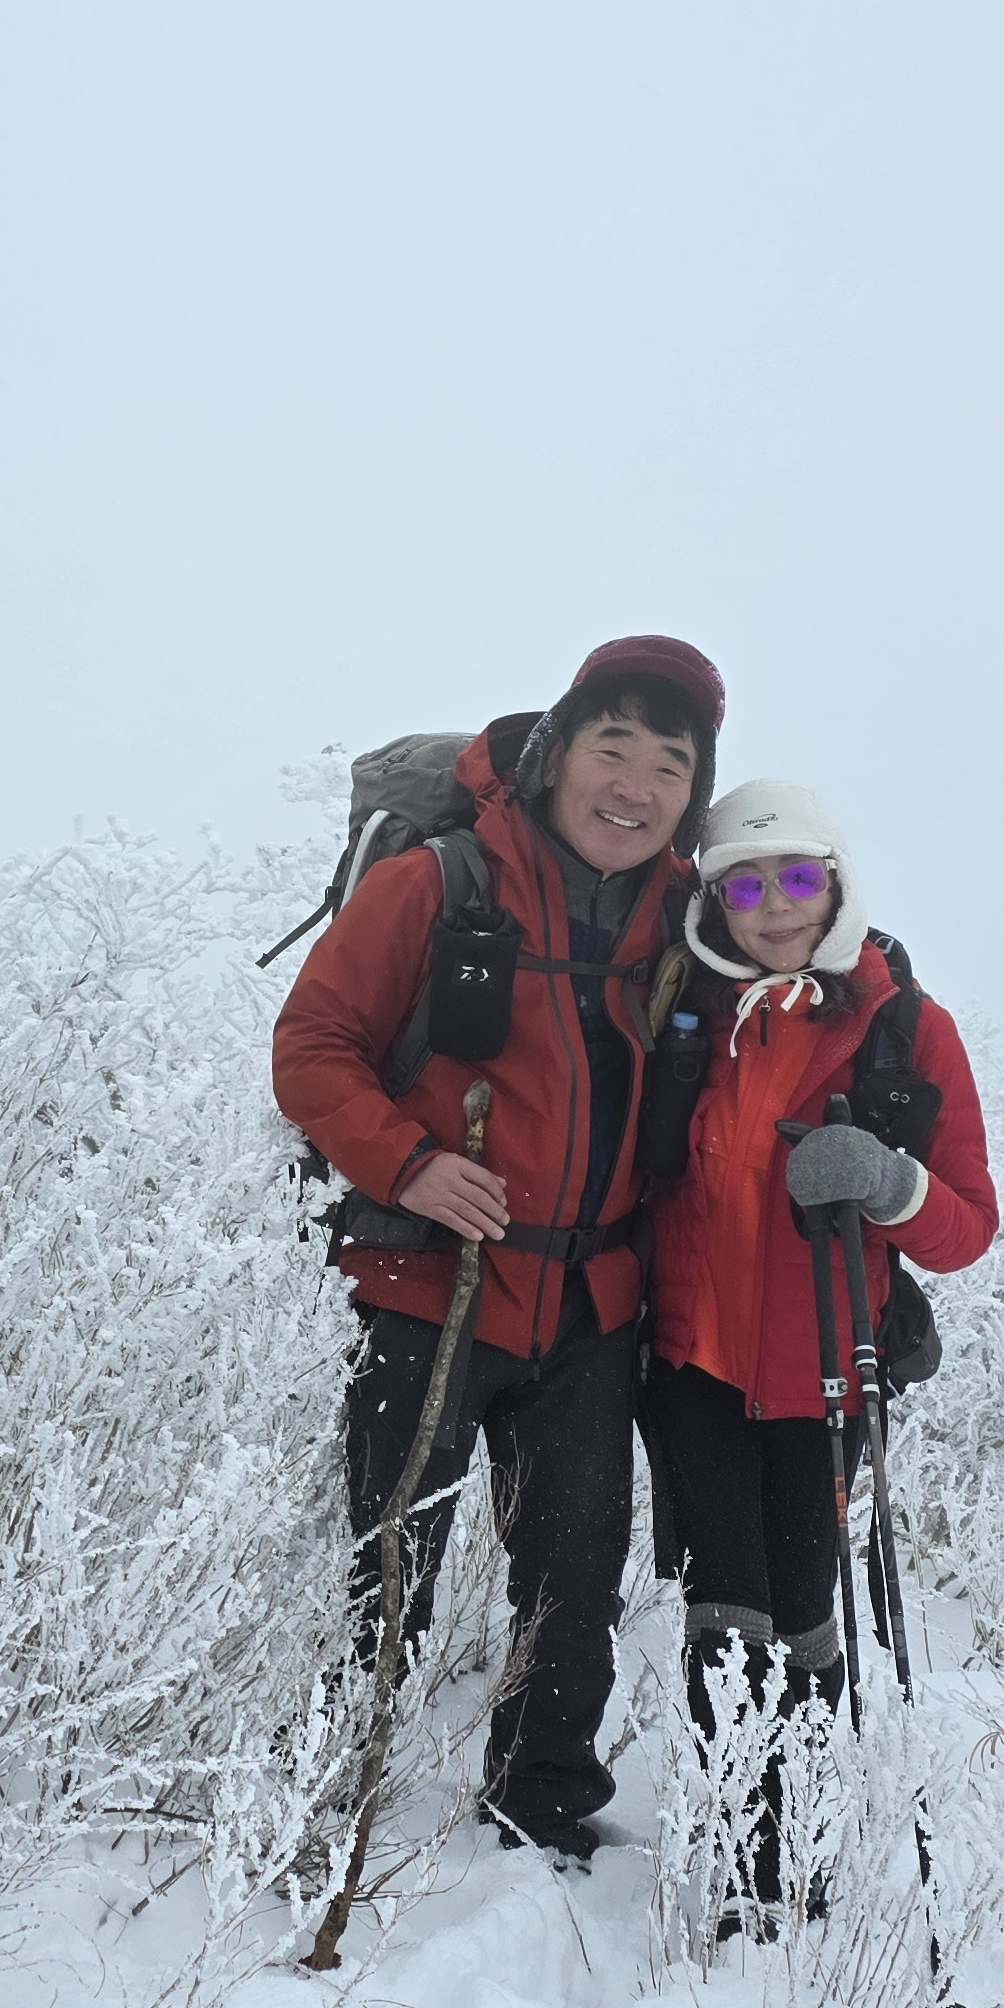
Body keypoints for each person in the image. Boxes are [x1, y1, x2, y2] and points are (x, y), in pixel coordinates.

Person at [270, 635, 722, 1864]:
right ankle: (321, 1792)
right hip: (426, 1278)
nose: (634, 785)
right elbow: (312, 1044)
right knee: (384, 1559)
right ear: (554, 754)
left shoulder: (687, 917)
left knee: (575, 1577)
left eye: (670, 764)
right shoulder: (439, 881)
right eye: (612, 747)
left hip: (589, 1302)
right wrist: (408, 1161)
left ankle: (542, 1806)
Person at [635, 777, 996, 1911]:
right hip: (690, 1370)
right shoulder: (684, 1011)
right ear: (714, 900)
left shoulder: (906, 1029)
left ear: (835, 883)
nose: (775, 904)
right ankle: (740, 1860)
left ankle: (800, 1849)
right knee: (722, 1612)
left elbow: (966, 1228)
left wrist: (890, 1184)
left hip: (824, 1377)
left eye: (797, 876)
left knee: (802, 1617)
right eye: (744, 885)